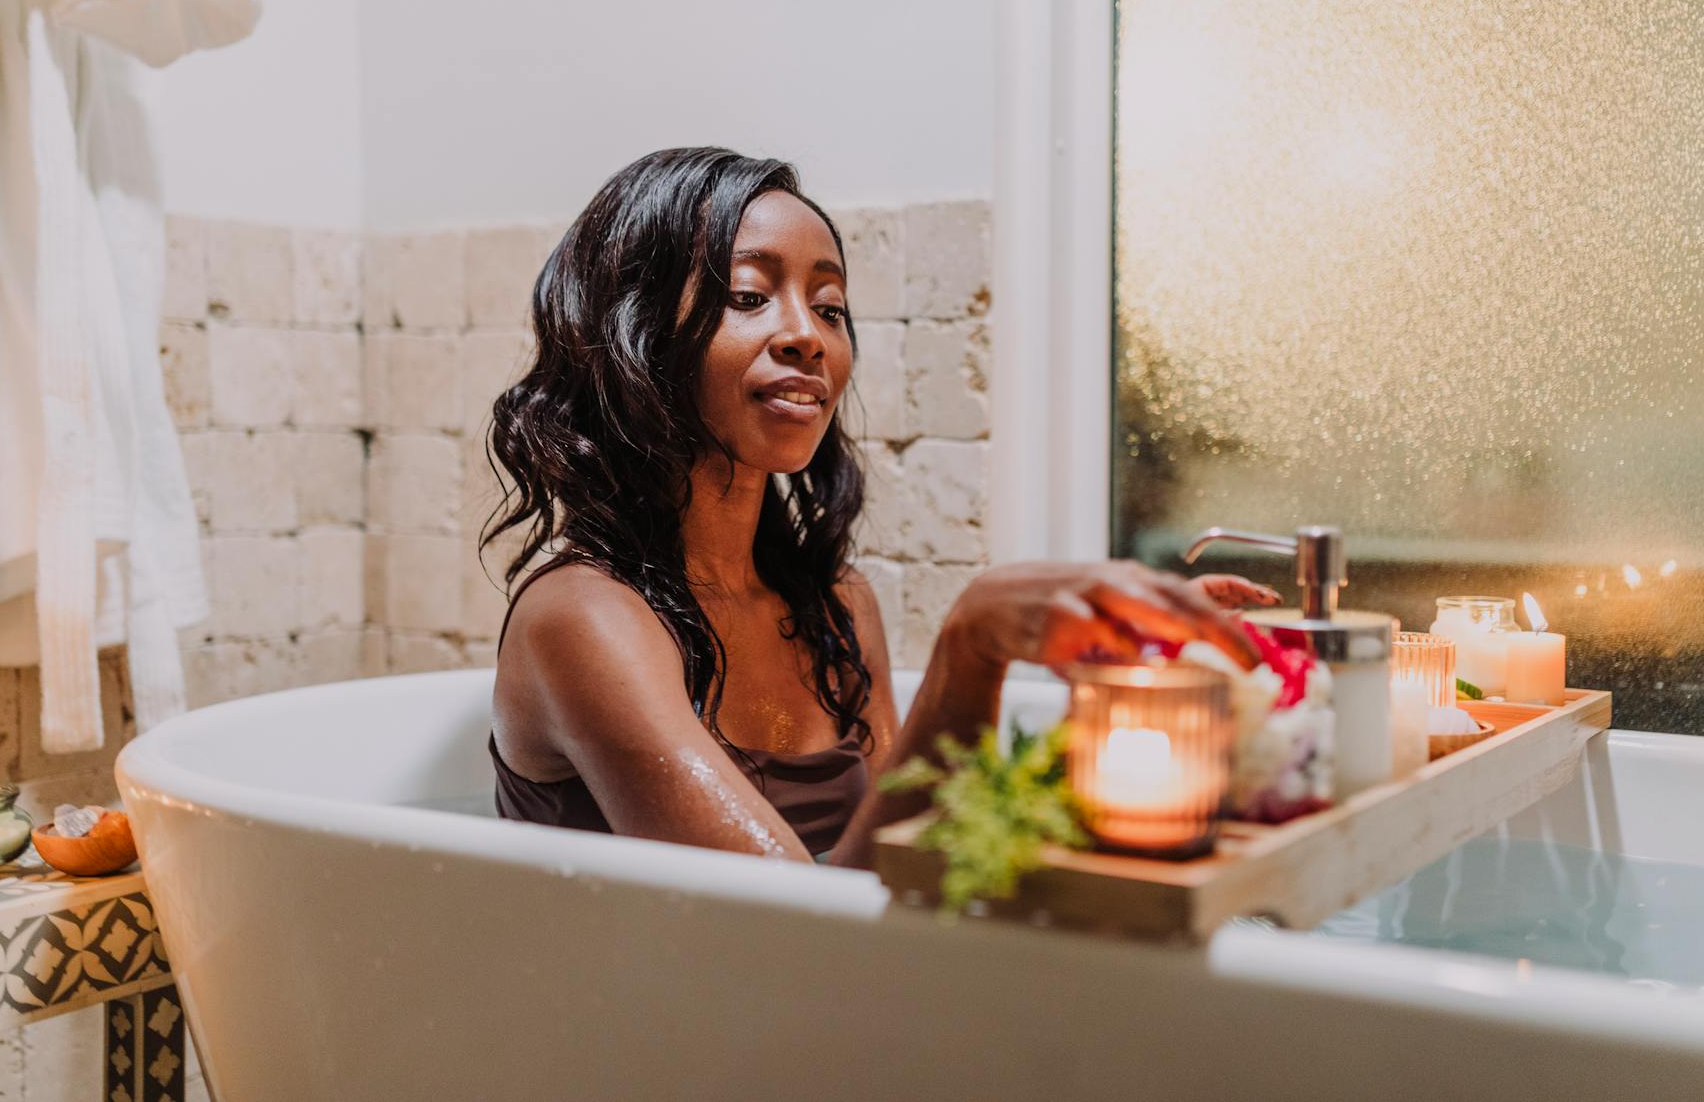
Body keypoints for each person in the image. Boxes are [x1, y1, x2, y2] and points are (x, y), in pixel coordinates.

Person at [483, 147, 1274, 869]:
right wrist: (971, 648)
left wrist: (1121, 681)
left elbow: (921, 848)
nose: (807, 335)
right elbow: (795, 933)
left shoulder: (834, 607)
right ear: (637, 337)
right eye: (750, 294)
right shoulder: (581, 619)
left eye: (829, 307)